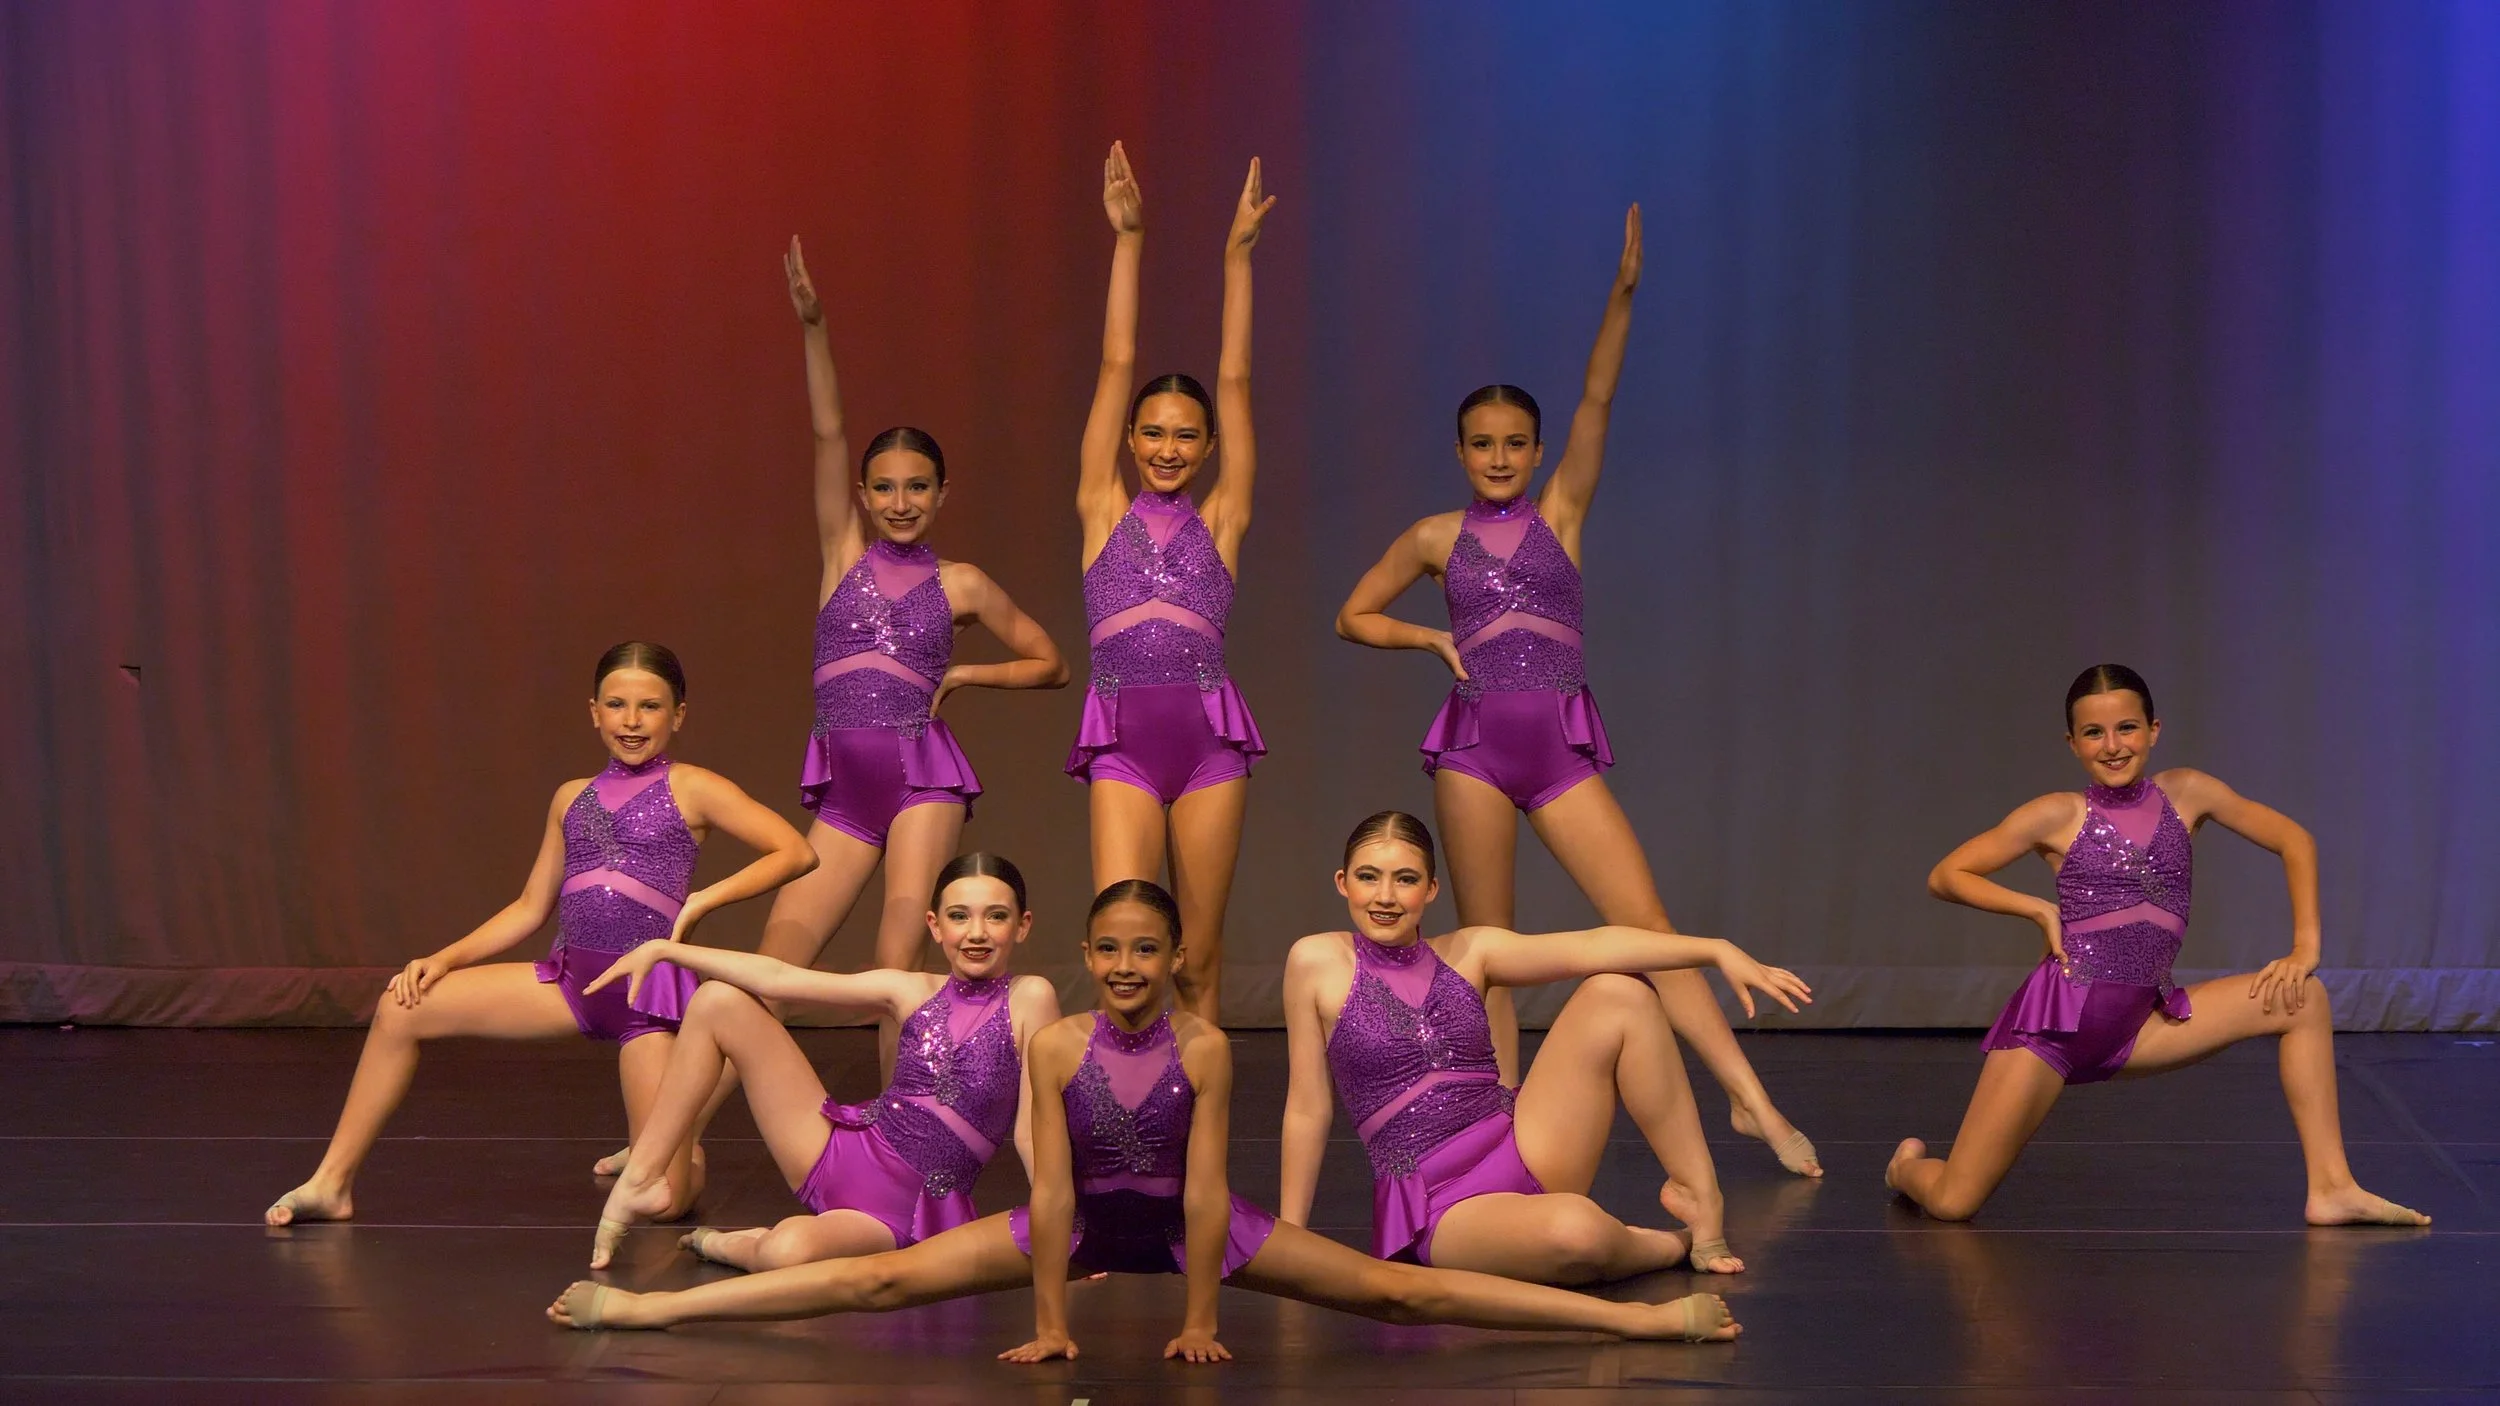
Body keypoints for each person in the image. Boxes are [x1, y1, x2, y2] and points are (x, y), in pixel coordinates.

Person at [547, 880, 1741, 1351]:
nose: (1126, 966)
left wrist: (1204, 1313)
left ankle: (1641, 1324)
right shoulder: (1053, 1038)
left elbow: (1207, 1190)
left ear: (1172, 959)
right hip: (1071, 1230)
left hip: (1189, 1232)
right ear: (1086, 954)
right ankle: (646, 1305)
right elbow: (1047, 1184)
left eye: (1145, 950)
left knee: (1401, 1293)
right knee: (870, 1282)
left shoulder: (1205, 1046)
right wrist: (1051, 1317)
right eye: (1109, 949)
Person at [1333, 206, 1818, 1176]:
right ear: (1460, 451)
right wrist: (1429, 637)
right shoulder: (1434, 537)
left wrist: (1623, 294)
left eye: (1515, 443)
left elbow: (1598, 395)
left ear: (1537, 451)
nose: (1499, 457)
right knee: (1491, 948)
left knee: (1650, 928)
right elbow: (1353, 614)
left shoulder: (1561, 511)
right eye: (1482, 444)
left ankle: (1748, 1098)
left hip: (1557, 750)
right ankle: (1495, 1130)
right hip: (1473, 752)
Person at [264, 642, 816, 1226]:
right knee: (400, 1008)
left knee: (661, 1202)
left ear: (677, 715)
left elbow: (795, 851)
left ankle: (683, 1155)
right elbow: (530, 908)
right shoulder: (570, 798)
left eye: (650, 707)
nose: (631, 721)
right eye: (616, 705)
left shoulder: (694, 786)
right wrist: (444, 958)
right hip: (568, 982)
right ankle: (331, 1183)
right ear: (594, 712)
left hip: (645, 1003)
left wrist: (703, 899)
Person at [1887, 664, 2431, 1226]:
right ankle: (1906, 1168)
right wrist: (2037, 908)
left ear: (2153, 730)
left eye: (2126, 728)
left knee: (2305, 999)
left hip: (2143, 1024)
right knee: (1953, 1202)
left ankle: (2332, 1187)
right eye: (2094, 733)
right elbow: (1947, 875)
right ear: (2072, 743)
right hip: (2052, 1029)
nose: (2113, 745)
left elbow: (2295, 840)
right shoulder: (2058, 813)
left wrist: (2305, 948)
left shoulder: (2188, 793)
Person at [745, 236, 1066, 1073]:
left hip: (923, 780)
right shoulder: (842, 557)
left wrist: (966, 672)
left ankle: (902, 1127)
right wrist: (814, 328)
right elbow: (828, 432)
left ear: (941, 494)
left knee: (895, 960)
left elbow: (1050, 662)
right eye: (884, 487)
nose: (900, 502)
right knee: (768, 971)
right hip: (846, 796)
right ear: (861, 496)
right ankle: (676, 1131)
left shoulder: (962, 584)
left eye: (917, 486)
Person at [1281, 811, 1811, 1280]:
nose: (1385, 896)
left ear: (1432, 889)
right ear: (1343, 882)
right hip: (1438, 1202)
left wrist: (1715, 950)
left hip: (1524, 1141)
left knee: (1620, 993)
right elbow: (1308, 1107)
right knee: (1576, 1231)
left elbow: (1593, 945)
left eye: (1406, 879)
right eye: (1369, 877)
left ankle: (1699, 1196)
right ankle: (1668, 1245)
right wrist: (1291, 1240)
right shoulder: (1316, 962)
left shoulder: (1470, 950)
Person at [582, 852, 1058, 1271]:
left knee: (786, 1251)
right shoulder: (908, 989)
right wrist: (666, 949)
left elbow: (1034, 1129)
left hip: (904, 1210)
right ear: (935, 926)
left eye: (996, 917)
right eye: (959, 916)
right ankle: (643, 1175)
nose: (976, 933)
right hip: (834, 1149)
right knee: (717, 1001)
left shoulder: (1030, 997)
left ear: (1023, 925)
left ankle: (727, 1244)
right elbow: (778, 977)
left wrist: (1062, 1229)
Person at [1066, 142, 1272, 1025]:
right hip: (1122, 744)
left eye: (1187, 435)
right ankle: (1125, 1110)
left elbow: (1236, 377)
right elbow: (1115, 364)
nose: (1167, 448)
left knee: (1197, 959)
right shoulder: (1101, 509)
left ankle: (1199, 1116)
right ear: (1129, 440)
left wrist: (1237, 260)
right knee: (1125, 946)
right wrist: (1129, 240)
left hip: (1208, 747)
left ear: (1210, 447)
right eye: (1152, 432)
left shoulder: (1222, 521)